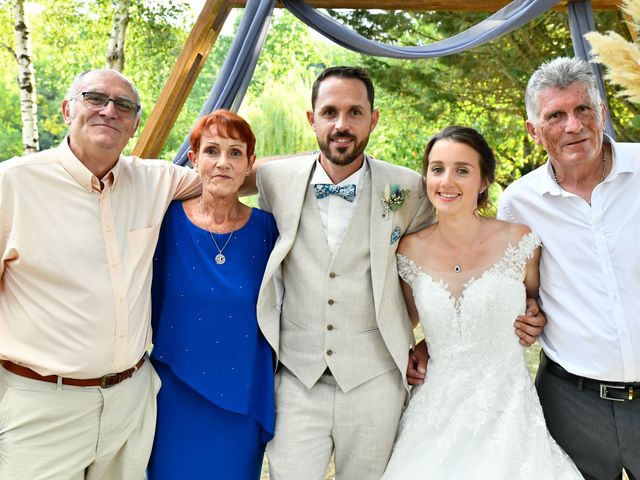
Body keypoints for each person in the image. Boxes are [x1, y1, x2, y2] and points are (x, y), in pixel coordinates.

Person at [251, 66, 545, 480]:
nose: (341, 124)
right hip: (297, 378)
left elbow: (450, 259)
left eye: (355, 112)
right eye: (330, 111)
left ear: (373, 119)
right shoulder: (273, 178)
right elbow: (216, 173)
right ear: (311, 118)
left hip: (377, 377)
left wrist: (454, 332)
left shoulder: (407, 188)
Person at [0, 69, 200, 479]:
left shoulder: (156, 179)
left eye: (123, 105)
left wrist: (325, 167)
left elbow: (228, 177)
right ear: (66, 110)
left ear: (134, 125)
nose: (109, 110)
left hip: (129, 402)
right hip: (42, 407)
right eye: (95, 98)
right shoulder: (13, 183)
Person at [382, 125, 582, 479]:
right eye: (437, 168)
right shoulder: (406, 250)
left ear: (484, 180)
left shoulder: (521, 242)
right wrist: (420, 349)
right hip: (434, 415)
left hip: (507, 414)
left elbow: (534, 303)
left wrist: (535, 316)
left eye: (462, 170)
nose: (446, 181)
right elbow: (402, 322)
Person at [498, 57, 640, 479]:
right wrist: (524, 314)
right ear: (534, 131)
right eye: (555, 116)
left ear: (601, 113)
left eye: (582, 110)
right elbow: (516, 292)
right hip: (571, 403)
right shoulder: (519, 204)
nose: (573, 125)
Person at [147, 110, 278, 479]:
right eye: (212, 151)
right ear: (194, 159)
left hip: (242, 397)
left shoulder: (269, 230)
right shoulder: (164, 221)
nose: (223, 163)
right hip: (172, 394)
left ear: (250, 164)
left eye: (235, 153)